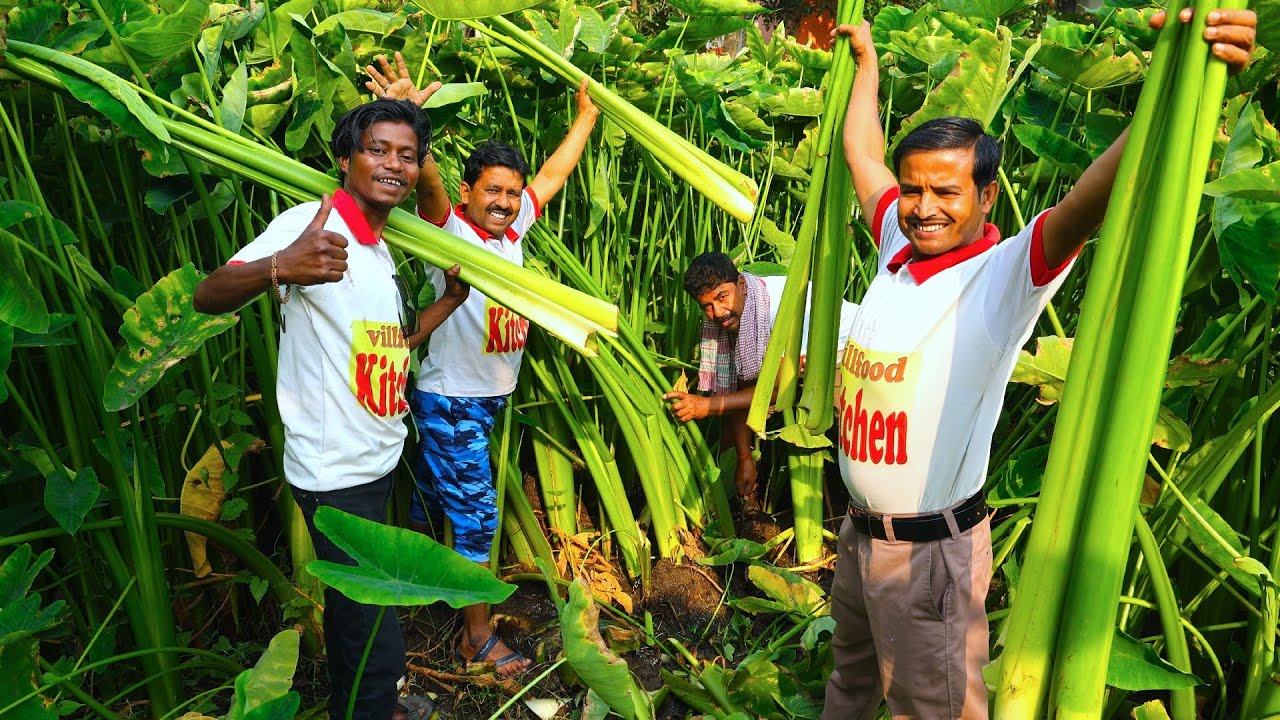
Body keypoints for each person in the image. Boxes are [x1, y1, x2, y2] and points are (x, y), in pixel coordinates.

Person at [824, 9, 1257, 719]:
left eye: (946, 192)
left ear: (987, 196)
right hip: (860, 538)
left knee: (929, 710)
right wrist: (866, 63)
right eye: (914, 189)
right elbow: (861, 154)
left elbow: (1086, 200)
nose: (924, 207)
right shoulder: (895, 249)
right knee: (848, 686)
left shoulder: (1002, 277)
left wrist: (1183, 82)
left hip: (929, 558)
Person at [193, 98, 466, 720]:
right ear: (345, 159)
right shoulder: (311, 224)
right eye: (377, 150)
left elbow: (387, 345)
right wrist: (278, 267)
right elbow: (207, 295)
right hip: (334, 471)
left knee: (363, 606)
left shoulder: (377, 246)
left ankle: (371, 704)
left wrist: (449, 302)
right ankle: (371, 710)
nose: (393, 164)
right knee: (366, 617)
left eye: (407, 154)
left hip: (376, 455)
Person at [365, 52, 599, 678]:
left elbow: (553, 173)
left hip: (489, 398)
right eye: (491, 191)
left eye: (511, 194)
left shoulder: (514, 230)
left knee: (436, 499)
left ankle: (421, 594)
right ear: (470, 194)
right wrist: (413, 115)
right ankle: (475, 639)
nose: (503, 202)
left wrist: (586, 118)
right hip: (450, 400)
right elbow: (431, 182)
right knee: (477, 517)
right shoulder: (451, 228)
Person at [663, 252, 858, 508]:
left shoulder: (780, 306)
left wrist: (705, 406)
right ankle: (729, 508)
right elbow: (738, 389)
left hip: (844, 355)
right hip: (794, 366)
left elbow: (775, 391)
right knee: (728, 433)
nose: (717, 312)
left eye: (722, 297)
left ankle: (845, 507)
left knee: (848, 437)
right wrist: (744, 458)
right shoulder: (727, 323)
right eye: (706, 306)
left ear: (741, 284)